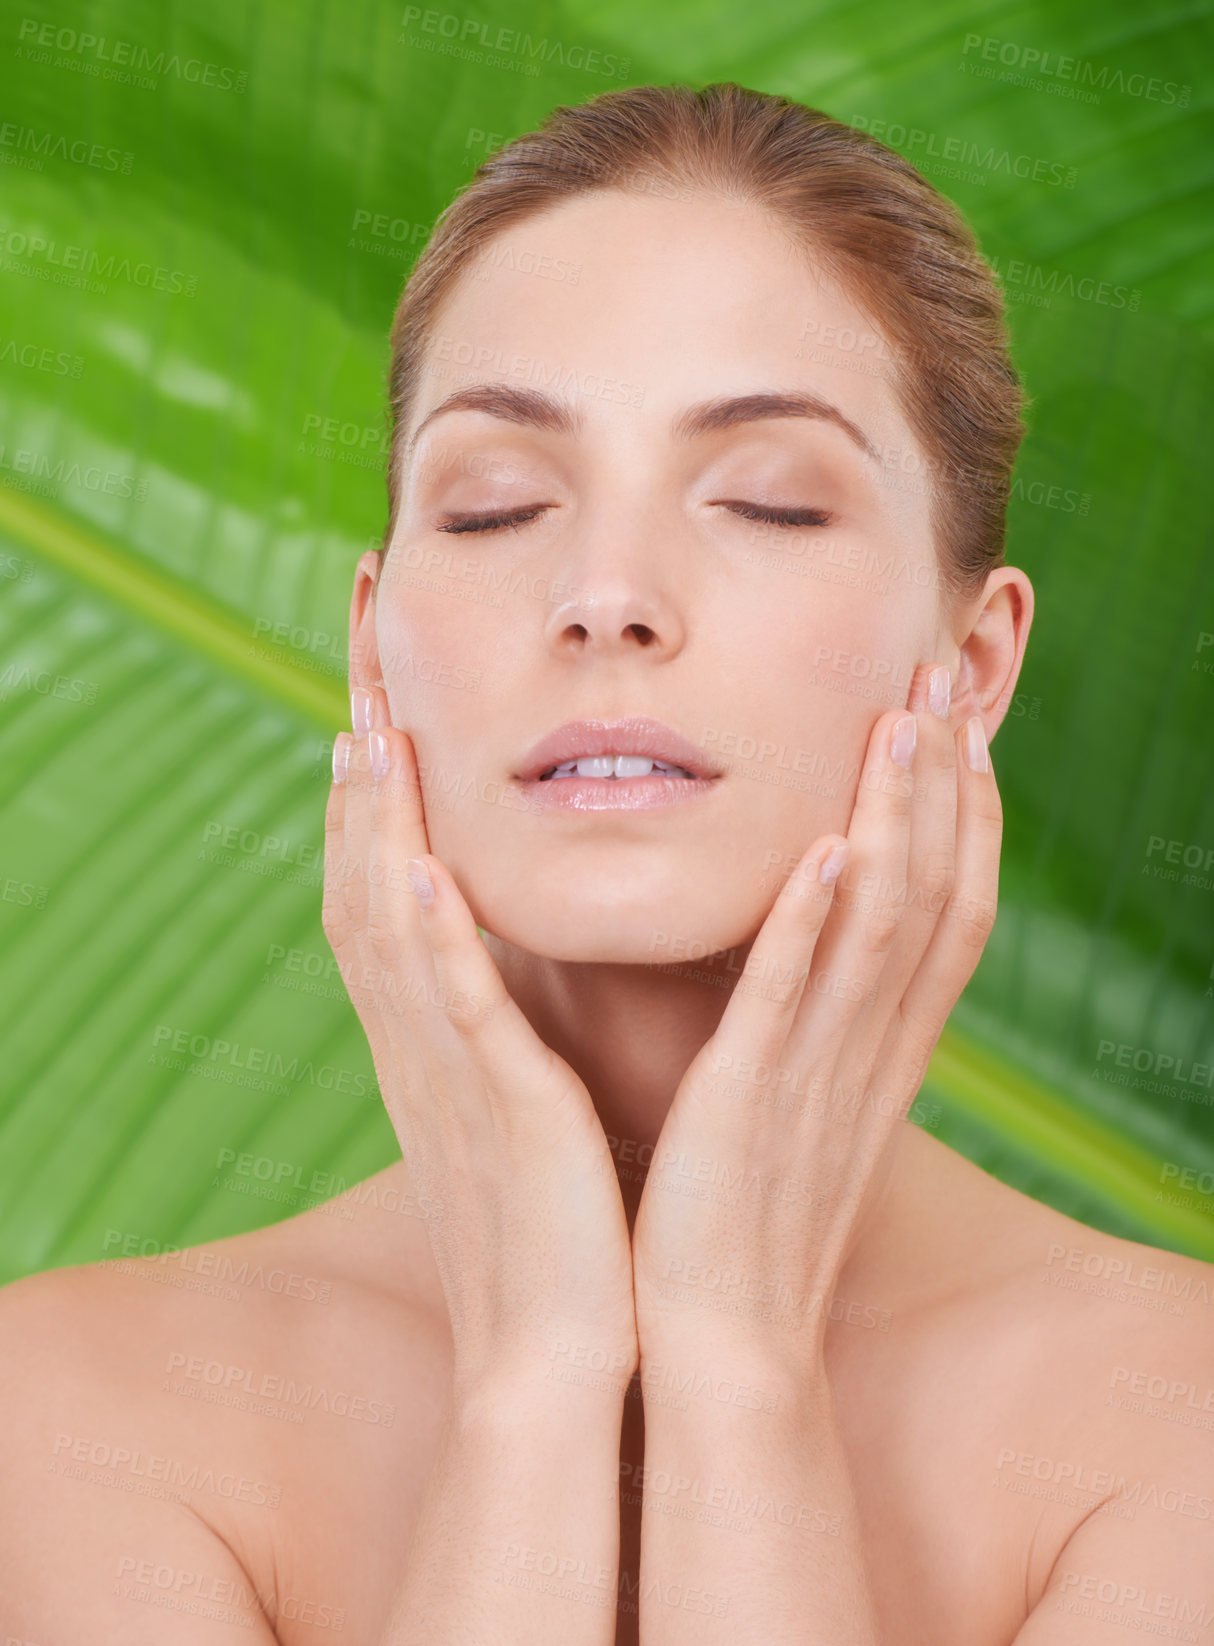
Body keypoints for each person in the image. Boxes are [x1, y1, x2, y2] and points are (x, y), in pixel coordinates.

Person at [1, 80, 1210, 1645]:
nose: (606, 592)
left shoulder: (1170, 1431)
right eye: (496, 504)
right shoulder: (70, 1415)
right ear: (374, 643)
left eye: (766, 500)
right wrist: (535, 1379)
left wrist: (734, 1358)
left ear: (971, 666)